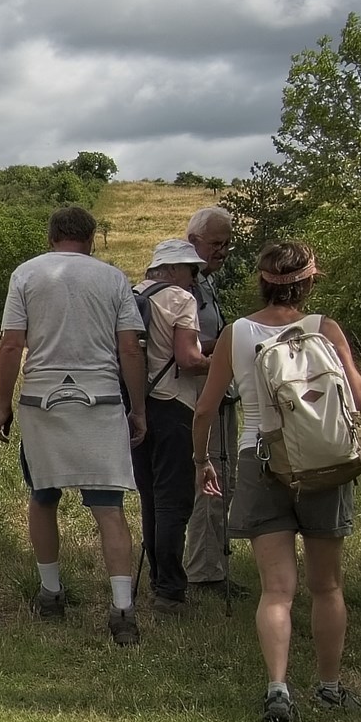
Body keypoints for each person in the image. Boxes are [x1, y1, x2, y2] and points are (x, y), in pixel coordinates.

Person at [193, 237, 361, 722]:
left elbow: (206, 406)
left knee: (276, 590)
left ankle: (277, 688)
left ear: (262, 281)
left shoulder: (236, 332)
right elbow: (359, 398)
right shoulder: (324, 329)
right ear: (310, 281)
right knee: (327, 585)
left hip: (260, 458)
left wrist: (201, 459)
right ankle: (330, 688)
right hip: (323, 464)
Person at [0, 203, 151, 645]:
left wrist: (3, 404)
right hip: (99, 399)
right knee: (109, 509)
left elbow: (11, 346)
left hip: (42, 400)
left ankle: (51, 593)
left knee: (43, 498)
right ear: (91, 238)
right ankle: (122, 609)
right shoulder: (113, 278)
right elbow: (131, 350)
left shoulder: (26, 274)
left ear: (50, 236)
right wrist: (137, 408)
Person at [132, 236, 211, 609]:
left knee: (149, 498)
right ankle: (170, 588)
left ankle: (156, 579)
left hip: (134, 407)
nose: (194, 278)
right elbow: (188, 358)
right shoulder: (181, 299)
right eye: (192, 270)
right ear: (175, 268)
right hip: (173, 404)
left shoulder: (129, 295)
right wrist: (223, 361)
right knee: (173, 502)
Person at [180, 205, 239, 605]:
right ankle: (203, 573)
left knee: (225, 479)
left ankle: (211, 564)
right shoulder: (184, 286)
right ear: (193, 242)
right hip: (201, 395)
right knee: (212, 480)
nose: (223, 251)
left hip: (217, 394)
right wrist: (234, 342)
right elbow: (185, 348)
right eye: (216, 243)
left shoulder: (206, 282)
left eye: (227, 244)